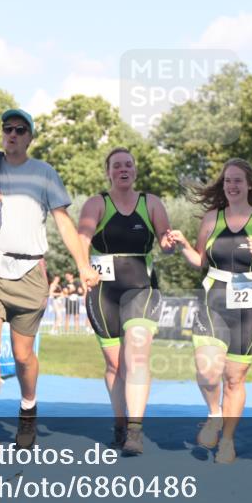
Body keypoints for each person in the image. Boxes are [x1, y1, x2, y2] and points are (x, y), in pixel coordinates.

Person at [0, 108, 98, 455]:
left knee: (23, 355)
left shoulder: (43, 173)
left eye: (19, 130)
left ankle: (28, 409)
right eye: (7, 129)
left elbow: (63, 223)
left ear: (29, 137)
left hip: (29, 273)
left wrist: (83, 266)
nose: (12, 134)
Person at [167, 158, 252, 463]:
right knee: (206, 371)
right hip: (213, 298)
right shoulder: (212, 218)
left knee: (234, 378)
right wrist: (182, 245)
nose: (232, 186)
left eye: (238, 181)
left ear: (249, 185)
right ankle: (214, 414)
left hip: (249, 305)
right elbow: (201, 260)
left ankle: (227, 440)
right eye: (227, 181)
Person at [77, 147, 175, 455]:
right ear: (108, 172)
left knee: (137, 356)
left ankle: (135, 431)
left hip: (141, 288)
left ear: (135, 171)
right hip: (102, 290)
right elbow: (81, 239)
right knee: (115, 363)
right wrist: (82, 268)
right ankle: (119, 424)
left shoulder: (151, 203)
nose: (123, 169)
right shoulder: (97, 203)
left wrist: (171, 244)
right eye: (117, 165)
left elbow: (165, 243)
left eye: (128, 165)